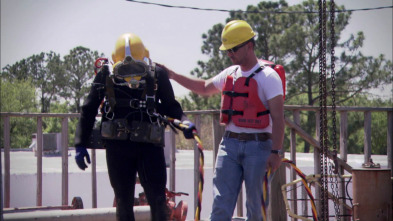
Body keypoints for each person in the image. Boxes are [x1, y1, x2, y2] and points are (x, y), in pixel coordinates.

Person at [160, 20, 284, 221]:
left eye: (233, 49)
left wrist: (275, 152)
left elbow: (279, 118)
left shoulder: (268, 77)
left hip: (259, 147)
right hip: (230, 145)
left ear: (249, 46)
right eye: (227, 50)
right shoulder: (230, 74)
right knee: (220, 205)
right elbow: (203, 87)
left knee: (256, 207)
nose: (229, 54)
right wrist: (172, 75)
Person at [74, 33, 195, 221]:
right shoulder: (106, 75)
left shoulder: (157, 75)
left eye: (135, 68)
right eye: (125, 68)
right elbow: (88, 109)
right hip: (118, 147)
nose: (131, 75)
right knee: (123, 200)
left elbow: (171, 106)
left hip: (149, 146)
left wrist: (184, 121)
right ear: (115, 63)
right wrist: (80, 144)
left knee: (157, 199)